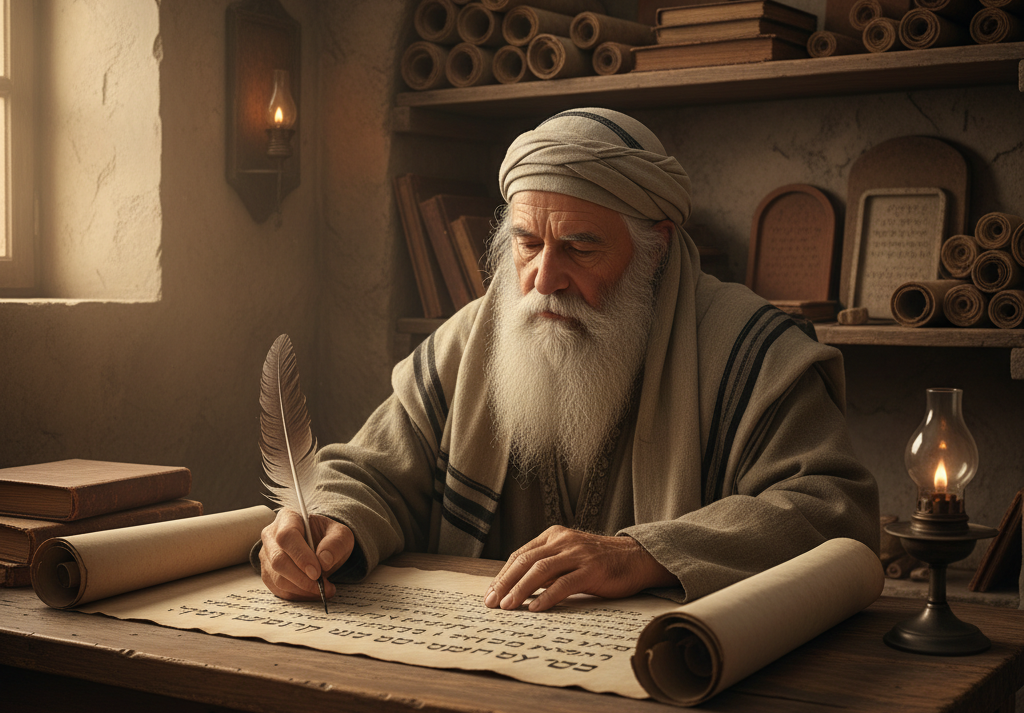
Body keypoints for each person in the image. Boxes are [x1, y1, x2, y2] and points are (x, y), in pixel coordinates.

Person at [258, 108, 879, 612]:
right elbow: (372, 470)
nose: (543, 279)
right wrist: (327, 518)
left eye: (580, 248)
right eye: (528, 245)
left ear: (655, 250)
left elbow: (832, 507)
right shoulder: (473, 340)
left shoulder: (752, 353)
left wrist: (644, 554)